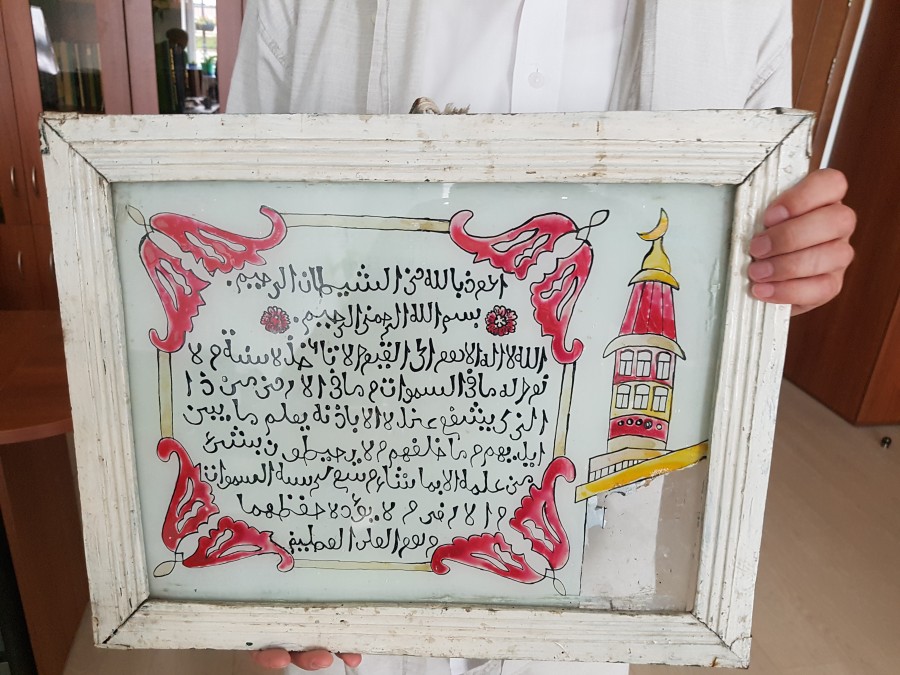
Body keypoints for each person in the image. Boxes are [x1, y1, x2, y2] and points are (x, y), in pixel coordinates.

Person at [227, 2, 856, 673]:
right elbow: (244, 241)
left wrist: (781, 262)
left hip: (581, 562)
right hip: (350, 509)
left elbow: (730, 245)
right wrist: (254, 531)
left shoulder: (739, 15)